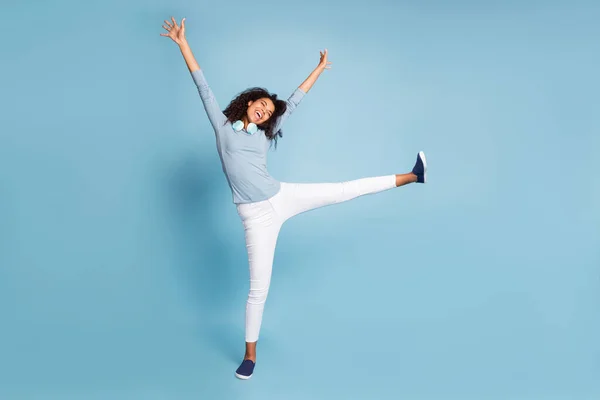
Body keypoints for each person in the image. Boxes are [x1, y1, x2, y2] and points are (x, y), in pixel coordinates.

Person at [161, 16, 427, 380]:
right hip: (255, 217)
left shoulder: (264, 133)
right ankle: (249, 357)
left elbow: (295, 101)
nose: (265, 111)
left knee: (342, 191)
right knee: (259, 289)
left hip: (282, 196)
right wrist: (182, 44)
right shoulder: (223, 127)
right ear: (249, 102)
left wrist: (318, 68)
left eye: (270, 112)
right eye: (261, 106)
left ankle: (413, 175)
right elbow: (203, 86)